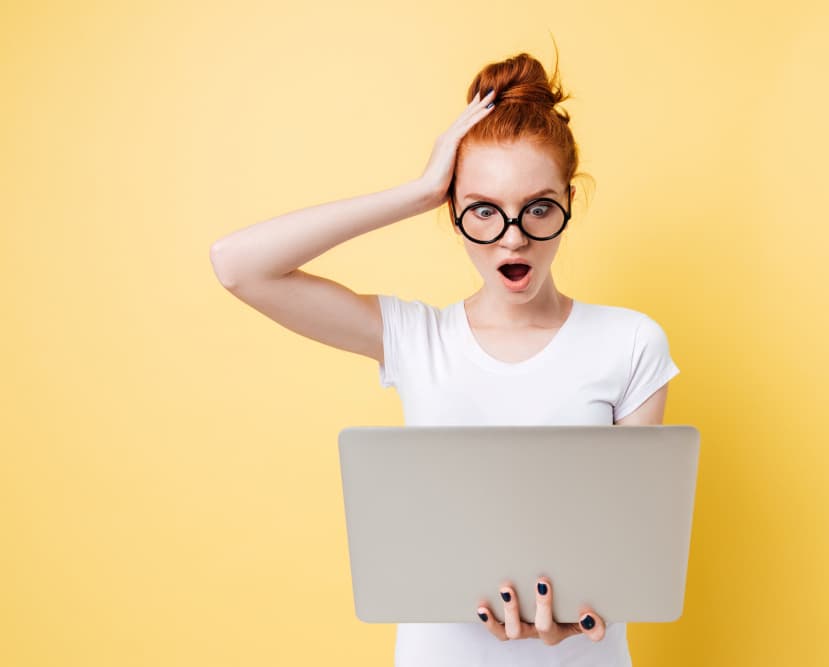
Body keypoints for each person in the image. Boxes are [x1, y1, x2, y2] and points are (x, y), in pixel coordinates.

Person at [210, 49, 679, 667]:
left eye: (539, 207)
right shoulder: (416, 337)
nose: (513, 237)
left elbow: (628, 555)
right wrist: (418, 189)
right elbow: (239, 266)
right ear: (453, 214)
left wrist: (583, 613)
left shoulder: (631, 344)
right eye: (483, 209)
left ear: (569, 201)